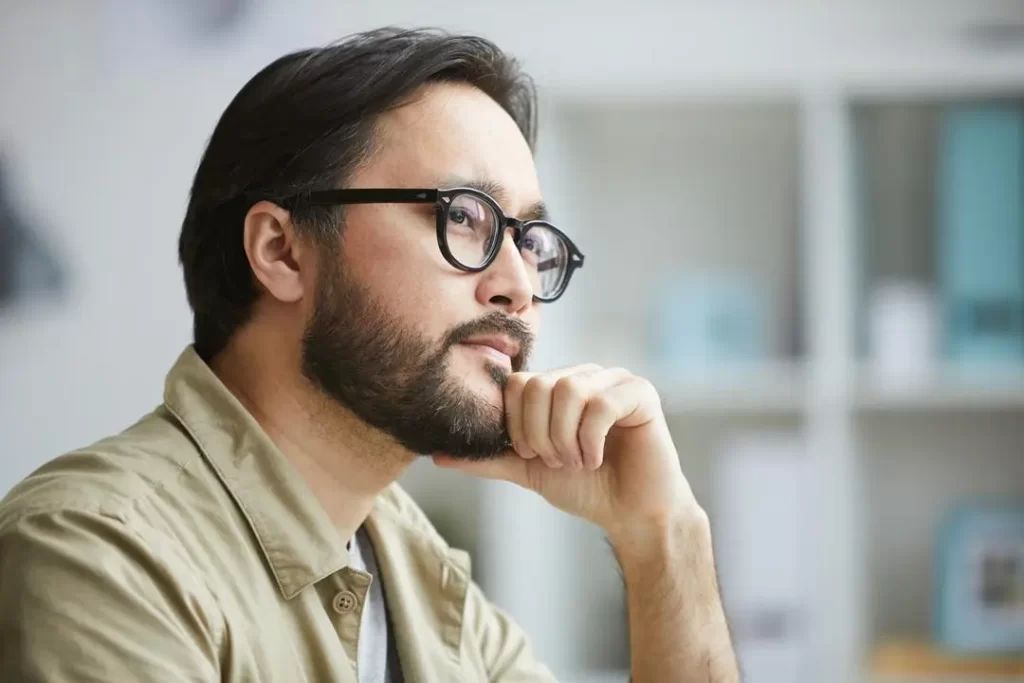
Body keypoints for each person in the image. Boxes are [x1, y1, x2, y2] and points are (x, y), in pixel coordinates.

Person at [0, 28, 739, 683]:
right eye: (463, 216)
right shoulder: (102, 556)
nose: (519, 286)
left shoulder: (425, 578)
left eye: (528, 241)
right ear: (282, 251)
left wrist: (664, 537)